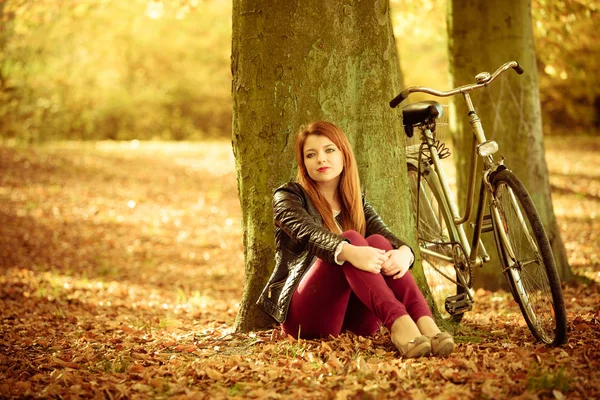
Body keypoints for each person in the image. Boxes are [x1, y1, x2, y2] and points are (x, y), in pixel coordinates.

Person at [256, 121, 454, 358]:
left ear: (344, 155)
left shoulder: (355, 201)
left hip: (354, 321)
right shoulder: (288, 197)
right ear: (304, 163)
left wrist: (405, 253)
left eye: (329, 150)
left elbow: (386, 235)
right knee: (350, 238)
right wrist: (348, 250)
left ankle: (427, 325)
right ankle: (400, 324)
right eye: (311, 154)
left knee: (380, 242)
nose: (321, 159)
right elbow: (309, 233)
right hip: (306, 318)